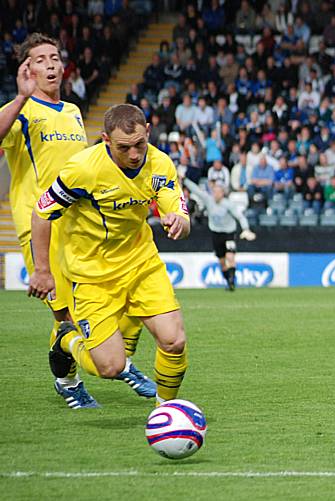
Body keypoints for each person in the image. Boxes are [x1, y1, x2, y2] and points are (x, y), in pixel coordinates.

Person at [0, 34, 152, 409]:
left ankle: (72, 376)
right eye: (41, 59)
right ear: (27, 69)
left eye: (55, 57)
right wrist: (20, 97)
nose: (51, 65)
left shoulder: (71, 111)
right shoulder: (21, 110)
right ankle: (79, 379)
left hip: (77, 227)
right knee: (64, 313)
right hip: (39, 225)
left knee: (89, 310)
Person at [28, 104, 190, 407]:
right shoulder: (84, 170)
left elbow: (175, 205)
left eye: (140, 144)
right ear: (105, 139)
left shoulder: (160, 163)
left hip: (141, 264)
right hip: (92, 275)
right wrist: (42, 271)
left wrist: (180, 220)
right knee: (111, 366)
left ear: (148, 133)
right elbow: (41, 213)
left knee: (174, 340)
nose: (134, 154)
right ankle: (67, 339)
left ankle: (165, 411)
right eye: (123, 147)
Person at [182, 177, 256, 291]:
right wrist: (185, 180)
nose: (216, 194)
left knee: (230, 257)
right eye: (214, 191)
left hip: (229, 233)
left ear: (223, 193)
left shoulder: (228, 204)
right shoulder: (208, 200)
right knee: (222, 261)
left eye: (218, 192)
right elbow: (196, 190)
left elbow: (240, 216)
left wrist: (245, 228)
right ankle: (228, 281)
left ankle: (232, 281)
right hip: (216, 233)